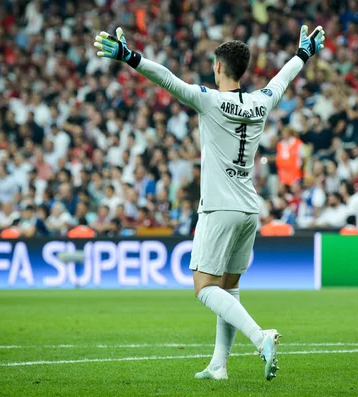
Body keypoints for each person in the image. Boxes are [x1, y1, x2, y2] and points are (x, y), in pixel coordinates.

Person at [94, 24, 325, 380]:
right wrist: (303, 54)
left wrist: (129, 56)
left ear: (219, 67)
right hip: (250, 209)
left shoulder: (209, 100)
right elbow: (283, 79)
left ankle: (260, 336)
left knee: (204, 288)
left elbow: (167, 79)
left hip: (219, 208)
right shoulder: (262, 101)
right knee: (228, 288)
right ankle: (219, 364)